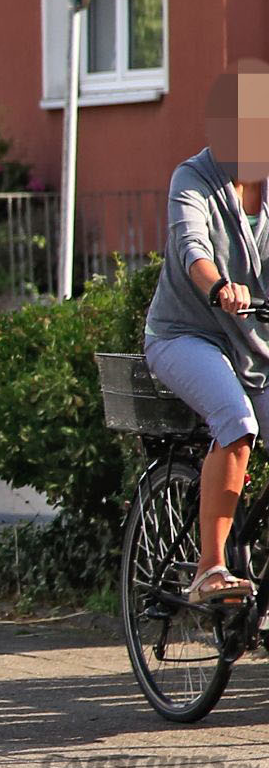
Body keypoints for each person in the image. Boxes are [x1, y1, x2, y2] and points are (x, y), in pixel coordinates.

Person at [144, 60, 269, 605]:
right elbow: (191, 246)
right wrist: (219, 286)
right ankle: (210, 568)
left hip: (254, 347)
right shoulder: (192, 179)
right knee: (236, 422)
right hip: (185, 336)